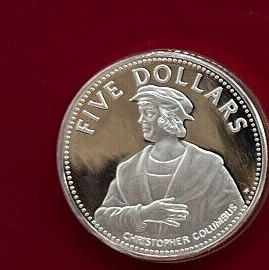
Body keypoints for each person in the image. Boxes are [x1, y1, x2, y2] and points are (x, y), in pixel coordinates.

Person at [93, 85, 245, 240]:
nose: (140, 120)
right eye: (141, 113)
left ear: (169, 117)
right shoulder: (128, 170)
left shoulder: (208, 166)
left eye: (149, 113)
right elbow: (102, 218)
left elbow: (234, 214)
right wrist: (143, 214)